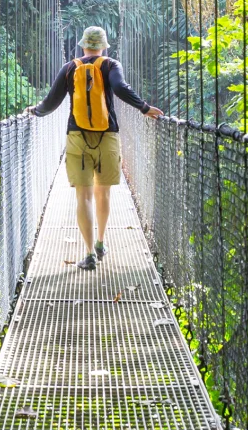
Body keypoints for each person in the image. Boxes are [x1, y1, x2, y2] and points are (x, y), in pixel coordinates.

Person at [27, 26, 164, 270]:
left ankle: (89, 253)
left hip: (77, 136)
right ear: (103, 46)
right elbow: (120, 89)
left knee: (84, 196)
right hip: (107, 135)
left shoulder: (70, 68)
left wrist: (34, 111)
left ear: (83, 46)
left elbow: (51, 102)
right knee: (104, 192)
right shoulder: (110, 64)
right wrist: (144, 107)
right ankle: (101, 242)